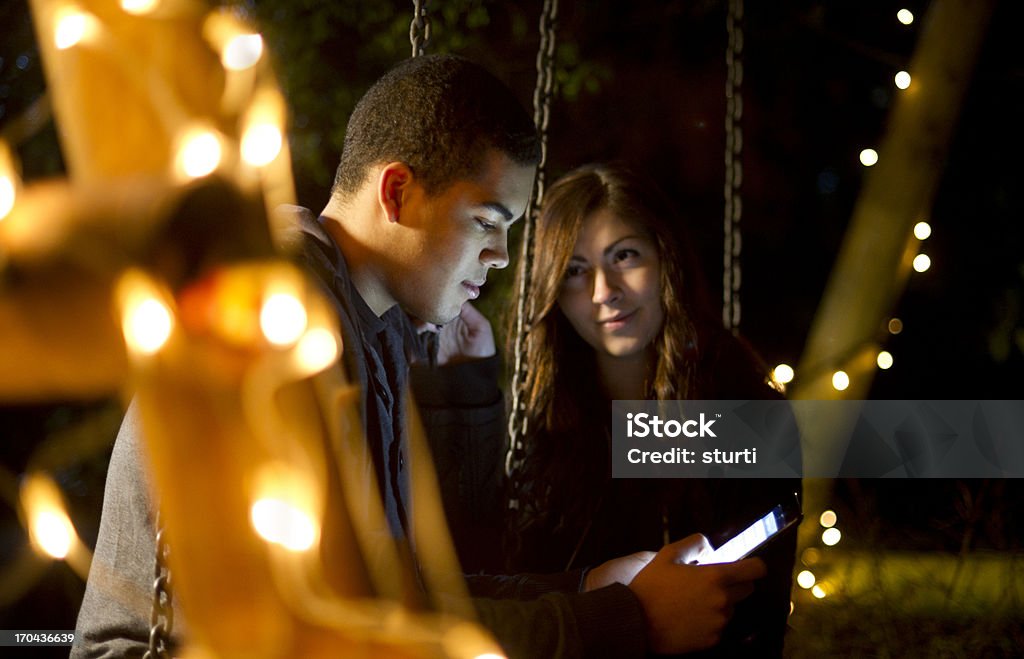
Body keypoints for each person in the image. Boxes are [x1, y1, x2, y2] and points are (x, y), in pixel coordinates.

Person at [73, 56, 765, 659]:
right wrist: (628, 619)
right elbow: (374, 621)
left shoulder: (373, 331)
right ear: (397, 192)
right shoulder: (282, 324)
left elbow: (407, 588)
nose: (500, 258)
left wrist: (589, 587)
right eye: (488, 224)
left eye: (624, 258)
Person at [505, 162, 800, 656]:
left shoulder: (743, 416)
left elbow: (757, 622)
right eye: (575, 271)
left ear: (667, 259)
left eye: (625, 255)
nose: (604, 292)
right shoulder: (537, 422)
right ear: (551, 291)